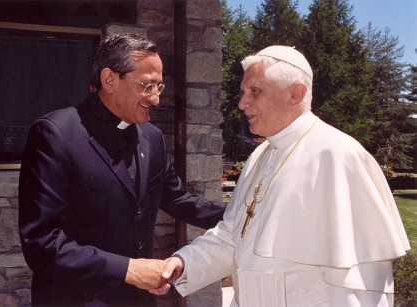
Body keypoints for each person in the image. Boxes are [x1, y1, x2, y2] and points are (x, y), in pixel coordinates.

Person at [153, 45, 411, 306]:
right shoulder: (260, 155)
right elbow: (232, 234)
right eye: (243, 92)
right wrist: (184, 262)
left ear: (296, 94)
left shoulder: (338, 155)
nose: (242, 103)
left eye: (255, 91)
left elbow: (361, 283)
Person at [18, 33, 225, 306]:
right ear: (109, 80)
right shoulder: (55, 134)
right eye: (147, 86)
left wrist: (244, 215)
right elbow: (41, 244)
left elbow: (179, 201)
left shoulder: (151, 137)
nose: (155, 99)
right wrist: (128, 270)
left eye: (159, 88)